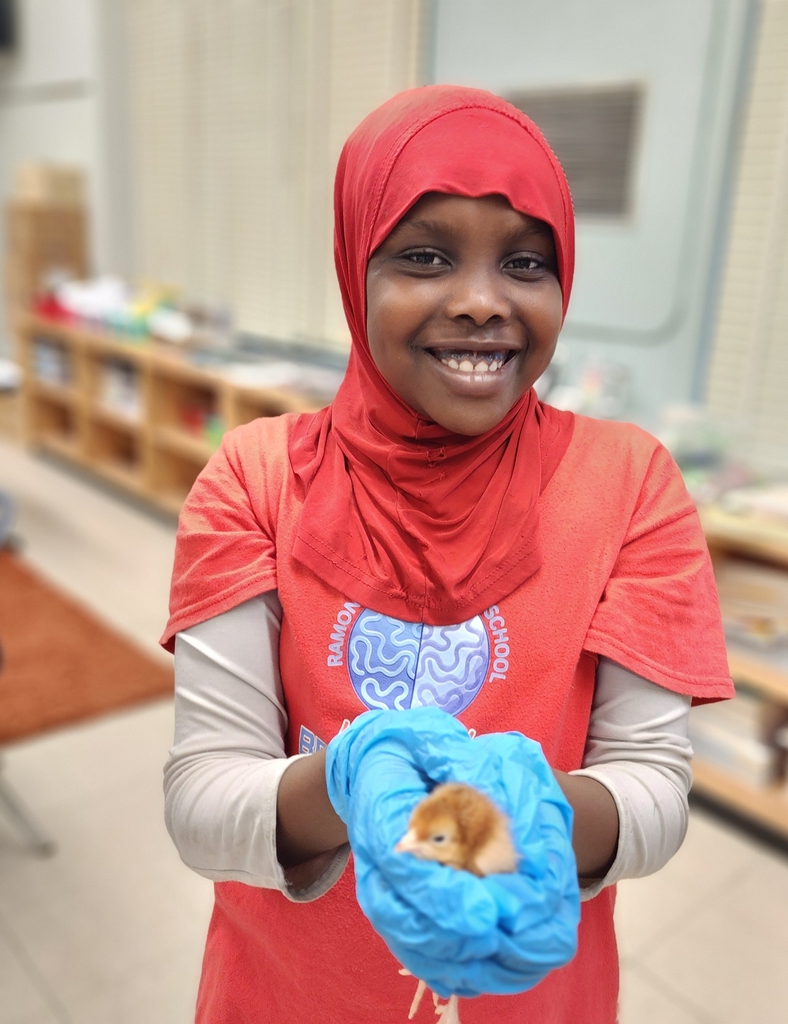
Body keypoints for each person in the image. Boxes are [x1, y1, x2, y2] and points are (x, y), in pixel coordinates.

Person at [161, 85, 732, 1024]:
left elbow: (654, 786)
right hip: (292, 995)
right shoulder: (254, 478)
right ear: (356, 267)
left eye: (526, 263)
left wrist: (546, 815)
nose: (480, 303)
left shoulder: (630, 483)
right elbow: (202, 797)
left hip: (533, 997)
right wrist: (347, 784)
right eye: (424, 257)